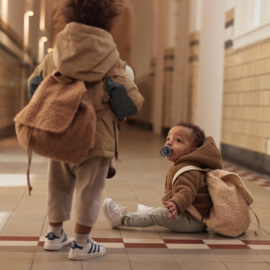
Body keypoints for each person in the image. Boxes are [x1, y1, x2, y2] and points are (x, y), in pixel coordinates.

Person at [27, 0, 144, 261]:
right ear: (108, 20)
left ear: (68, 16)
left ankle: (54, 235)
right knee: (89, 190)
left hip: (61, 132)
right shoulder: (113, 60)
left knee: (57, 185)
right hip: (96, 137)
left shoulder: (54, 56)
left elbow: (34, 86)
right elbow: (131, 103)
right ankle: (81, 243)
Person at [103, 122, 222, 233]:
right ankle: (147, 213)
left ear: (193, 151)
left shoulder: (188, 171)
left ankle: (123, 219)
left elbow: (186, 191)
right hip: (190, 216)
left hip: (192, 221)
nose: (169, 143)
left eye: (178, 140)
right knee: (158, 213)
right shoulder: (186, 166)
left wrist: (176, 204)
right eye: (168, 138)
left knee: (156, 215)